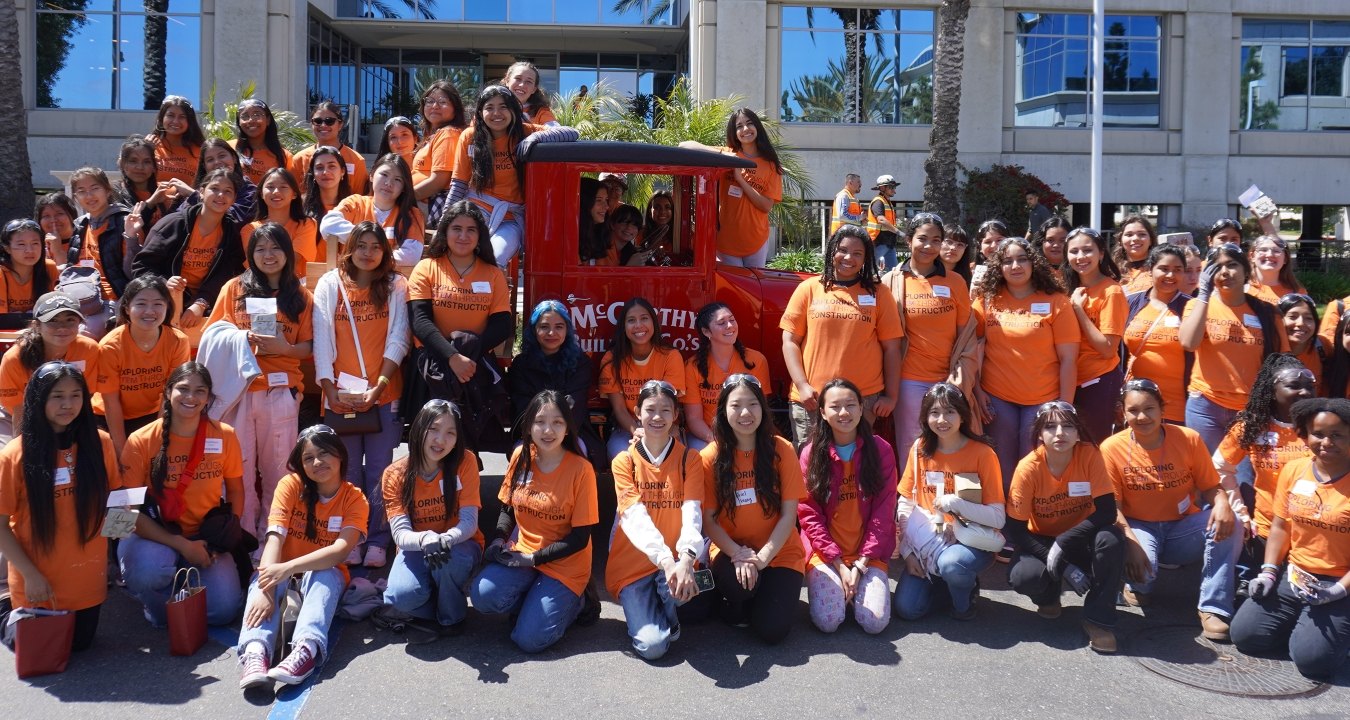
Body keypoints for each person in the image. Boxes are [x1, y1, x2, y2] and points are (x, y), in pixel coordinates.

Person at [1102, 379, 1241, 641]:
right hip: (1139, 527)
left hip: (1181, 528)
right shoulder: (1111, 448)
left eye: (1150, 409)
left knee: (1232, 522)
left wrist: (1222, 502)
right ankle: (1136, 583)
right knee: (1145, 576)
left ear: (1162, 410)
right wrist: (1131, 543)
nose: (1142, 417)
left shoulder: (1188, 439)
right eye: (1133, 410)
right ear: (1122, 412)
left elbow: (1212, 486)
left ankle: (1213, 607)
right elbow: (1112, 508)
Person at [0, 361, 120, 656]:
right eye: (57, 396)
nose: (68, 404)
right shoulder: (14, 455)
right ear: (39, 399)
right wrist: (31, 575)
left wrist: (115, 546)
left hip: (86, 580)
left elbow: (118, 499)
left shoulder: (101, 443)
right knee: (43, 651)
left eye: (76, 395)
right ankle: (5, 609)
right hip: (39, 582)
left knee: (79, 645)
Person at [204, 223, 314, 540]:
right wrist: (241, 339)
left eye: (275, 248)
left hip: (280, 392)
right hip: (238, 392)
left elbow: (310, 346)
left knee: (279, 467)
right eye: (260, 249)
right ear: (251, 254)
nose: (268, 255)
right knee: (239, 467)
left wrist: (286, 349)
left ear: (288, 253)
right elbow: (213, 334)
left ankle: (274, 534)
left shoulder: (301, 296)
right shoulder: (234, 289)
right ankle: (243, 533)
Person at [236, 425, 367, 689]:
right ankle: (255, 652)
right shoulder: (290, 485)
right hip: (282, 569)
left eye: (324, 453)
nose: (317, 462)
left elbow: (340, 551)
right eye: (308, 458)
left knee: (324, 574)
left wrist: (288, 567)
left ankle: (306, 650)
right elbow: (275, 538)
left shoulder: (355, 499)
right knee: (262, 581)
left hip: (322, 572)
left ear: (340, 455)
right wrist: (265, 588)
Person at [1230, 397, 1350, 680]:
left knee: (1313, 664)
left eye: (1337, 435)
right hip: (1297, 576)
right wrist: (1269, 573)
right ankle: (1309, 628)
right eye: (1318, 434)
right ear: (1305, 434)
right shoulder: (1294, 470)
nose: (1326, 442)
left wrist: (1337, 592)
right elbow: (1281, 527)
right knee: (1246, 637)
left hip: (1341, 584)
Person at [470, 390, 599, 653]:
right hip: (522, 552)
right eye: (540, 421)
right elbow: (507, 506)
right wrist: (498, 540)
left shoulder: (581, 470)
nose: (547, 430)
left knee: (529, 640)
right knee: (482, 595)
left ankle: (579, 601)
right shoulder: (521, 456)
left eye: (557, 422)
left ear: (567, 428)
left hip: (565, 565)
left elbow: (580, 538)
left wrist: (534, 559)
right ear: (528, 425)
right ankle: (534, 601)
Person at [118, 362, 245, 628]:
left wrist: (224, 534)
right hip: (151, 535)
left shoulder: (225, 435)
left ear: (208, 397)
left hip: (204, 536)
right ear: (167, 392)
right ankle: (156, 597)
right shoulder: (140, 440)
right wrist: (183, 546)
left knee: (223, 612)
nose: (191, 397)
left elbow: (235, 490)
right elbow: (124, 513)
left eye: (200, 391)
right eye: (183, 389)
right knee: (149, 577)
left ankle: (182, 578)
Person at [313, 220, 409, 568]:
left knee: (381, 470)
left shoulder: (397, 285)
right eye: (362, 245)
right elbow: (321, 338)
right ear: (350, 248)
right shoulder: (329, 284)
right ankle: (351, 537)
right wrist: (329, 389)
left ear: (384, 252)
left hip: (383, 394)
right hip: (339, 395)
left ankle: (379, 540)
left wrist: (378, 387)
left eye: (376, 246)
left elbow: (399, 338)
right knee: (346, 469)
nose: (368, 253)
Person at [1005, 401, 1123, 652]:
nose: (1060, 433)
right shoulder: (1028, 468)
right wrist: (1061, 563)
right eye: (1050, 427)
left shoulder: (1090, 454)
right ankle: (1048, 596)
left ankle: (1099, 620)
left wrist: (1064, 541)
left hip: (1082, 538)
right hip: (1041, 541)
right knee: (1023, 577)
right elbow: (1015, 529)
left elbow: (1107, 512)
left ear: (1078, 432)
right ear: (1039, 434)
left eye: (1068, 426)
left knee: (1111, 540)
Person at [699, 374, 806, 644]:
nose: (745, 413)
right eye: (736, 405)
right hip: (731, 550)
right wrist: (739, 555)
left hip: (780, 552)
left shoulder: (783, 450)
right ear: (723, 410)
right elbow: (709, 521)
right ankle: (734, 601)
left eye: (753, 404)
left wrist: (762, 559)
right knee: (738, 589)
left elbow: (789, 515)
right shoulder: (710, 456)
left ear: (763, 408)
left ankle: (756, 596)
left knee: (771, 631)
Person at [606, 380, 705, 659]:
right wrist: (665, 559)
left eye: (665, 410)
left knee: (673, 586)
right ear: (637, 412)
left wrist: (685, 558)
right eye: (650, 410)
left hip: (677, 562)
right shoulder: (623, 462)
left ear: (676, 415)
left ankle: (667, 597)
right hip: (634, 565)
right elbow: (634, 517)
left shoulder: (690, 459)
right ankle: (667, 615)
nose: (657, 417)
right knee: (652, 647)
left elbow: (692, 512)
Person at [972, 236, 1080, 489]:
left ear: (1034, 263)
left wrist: (1064, 407)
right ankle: (1006, 521)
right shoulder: (985, 301)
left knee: (1034, 462)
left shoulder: (1057, 302)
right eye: (1007, 261)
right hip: (997, 399)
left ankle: (1032, 519)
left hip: (1044, 399)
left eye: (1022, 259)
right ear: (998, 267)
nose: (1015, 266)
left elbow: (1068, 359)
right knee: (1002, 464)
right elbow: (972, 352)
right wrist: (977, 391)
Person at [782, 226, 902, 447]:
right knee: (811, 470)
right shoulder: (808, 288)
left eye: (858, 253)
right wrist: (802, 385)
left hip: (862, 400)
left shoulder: (879, 294)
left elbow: (892, 349)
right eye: (843, 250)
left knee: (854, 467)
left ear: (867, 258)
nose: (849, 258)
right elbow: (790, 341)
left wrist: (891, 396)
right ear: (831, 251)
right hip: (812, 399)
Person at [895, 383, 1004, 621]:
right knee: (907, 610)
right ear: (925, 417)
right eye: (934, 413)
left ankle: (963, 602)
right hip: (926, 543)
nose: (942, 419)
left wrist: (956, 506)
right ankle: (949, 582)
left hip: (969, 542)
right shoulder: (920, 448)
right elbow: (906, 503)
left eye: (949, 412)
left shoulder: (983, 454)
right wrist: (907, 553)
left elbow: (998, 517)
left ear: (962, 415)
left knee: (952, 564)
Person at [406, 201, 512, 444]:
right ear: (445, 231)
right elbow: (420, 321)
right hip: (433, 366)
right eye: (457, 228)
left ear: (480, 235)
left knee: (467, 443)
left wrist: (468, 357)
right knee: (430, 443)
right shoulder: (427, 268)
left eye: (471, 229)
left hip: (473, 367)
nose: (463, 235)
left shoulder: (493, 274)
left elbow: (502, 325)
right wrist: (452, 357)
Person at [798, 379, 897, 633]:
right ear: (822, 412)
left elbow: (884, 513)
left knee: (875, 623)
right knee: (828, 622)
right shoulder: (811, 453)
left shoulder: (881, 450)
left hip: (869, 555)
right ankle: (842, 593)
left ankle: (857, 592)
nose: (844, 413)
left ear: (862, 408)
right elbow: (809, 515)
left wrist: (861, 564)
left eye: (851, 405)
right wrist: (839, 564)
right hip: (826, 555)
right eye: (835, 407)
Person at [880, 213, 972, 473]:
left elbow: (965, 336)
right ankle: (913, 501)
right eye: (922, 239)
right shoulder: (891, 281)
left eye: (936, 240)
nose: (929, 246)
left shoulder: (955, 282)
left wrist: (961, 376)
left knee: (950, 441)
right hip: (909, 379)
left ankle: (946, 499)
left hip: (949, 378)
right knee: (912, 443)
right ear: (908, 240)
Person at [448, 85, 579, 266]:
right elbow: (459, 185)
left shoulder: (525, 132)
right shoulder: (469, 136)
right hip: (474, 211)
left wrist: (535, 138)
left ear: (514, 110)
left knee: (494, 259)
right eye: (489, 107)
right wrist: (445, 221)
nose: (497, 113)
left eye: (503, 107)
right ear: (480, 112)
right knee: (460, 257)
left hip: (510, 218)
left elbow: (572, 133)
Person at [381, 399, 482, 634]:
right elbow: (400, 533)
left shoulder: (465, 462)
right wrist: (425, 539)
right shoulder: (394, 474)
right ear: (418, 429)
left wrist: (446, 538)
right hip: (418, 546)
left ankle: (452, 618)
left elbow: (469, 522)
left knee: (448, 561)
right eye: (434, 429)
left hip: (459, 545)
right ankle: (431, 606)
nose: (440, 440)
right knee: (400, 595)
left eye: (450, 433)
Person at [1179, 242, 1286, 453]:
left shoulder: (1267, 312)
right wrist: (1203, 295)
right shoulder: (1197, 305)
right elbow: (1189, 343)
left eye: (1232, 265)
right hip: (1205, 406)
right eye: (1217, 267)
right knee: (1207, 478)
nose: (1225, 272)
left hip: (1249, 409)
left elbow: (1282, 361)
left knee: (1243, 481)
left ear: (1246, 270)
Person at [1213, 355, 1315, 572]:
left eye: (1309, 386)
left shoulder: (1323, 426)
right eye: (1294, 386)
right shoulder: (1252, 426)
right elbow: (1220, 467)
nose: (1305, 392)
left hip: (1316, 535)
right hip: (1267, 531)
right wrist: (1240, 513)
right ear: (1272, 391)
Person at [132, 168, 247, 336]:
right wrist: (164, 283)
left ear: (234, 199)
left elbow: (227, 274)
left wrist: (201, 303)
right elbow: (141, 267)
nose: (220, 195)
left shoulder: (231, 233)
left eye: (227, 191)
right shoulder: (174, 224)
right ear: (201, 192)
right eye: (214, 189)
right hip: (164, 299)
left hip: (207, 304)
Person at [93, 274, 191, 459]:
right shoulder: (110, 346)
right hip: (108, 418)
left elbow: (169, 395)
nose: (150, 311)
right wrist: (122, 450)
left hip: (151, 415)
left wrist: (156, 440)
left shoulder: (178, 341)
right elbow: (110, 402)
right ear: (127, 308)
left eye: (158, 304)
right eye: (141, 304)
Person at [680, 109, 783, 267]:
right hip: (726, 244)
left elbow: (766, 206)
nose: (745, 129)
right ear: (734, 133)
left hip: (756, 242)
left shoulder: (771, 165)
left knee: (752, 291)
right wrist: (723, 155)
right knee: (731, 290)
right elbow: (685, 146)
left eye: (749, 123)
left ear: (757, 127)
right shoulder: (727, 155)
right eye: (739, 126)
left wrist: (740, 180)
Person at [0, 293, 101, 440]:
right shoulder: (14, 358)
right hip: (16, 416)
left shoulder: (89, 349)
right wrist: (22, 452)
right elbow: (18, 409)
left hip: (67, 412)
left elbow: (85, 397)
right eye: (52, 321)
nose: (62, 328)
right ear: (37, 325)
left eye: (70, 320)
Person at [507, 299, 599, 459]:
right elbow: (522, 408)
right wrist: (540, 433)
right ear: (534, 330)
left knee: (576, 453)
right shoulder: (521, 364)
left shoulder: (580, 362)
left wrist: (557, 434)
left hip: (571, 432)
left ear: (567, 330)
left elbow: (575, 406)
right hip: (531, 432)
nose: (551, 333)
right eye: (544, 327)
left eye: (559, 327)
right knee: (521, 455)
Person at [599, 297, 686, 459]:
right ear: (623, 327)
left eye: (644, 318)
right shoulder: (611, 360)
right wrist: (638, 432)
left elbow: (669, 406)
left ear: (654, 322)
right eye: (631, 320)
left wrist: (656, 433)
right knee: (625, 457)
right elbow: (619, 409)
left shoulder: (671, 356)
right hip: (628, 430)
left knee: (669, 458)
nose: (638, 325)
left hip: (665, 427)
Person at [1064, 227, 1126, 441]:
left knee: (1092, 447)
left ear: (1101, 253)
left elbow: (1108, 349)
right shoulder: (1066, 288)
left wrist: (1079, 310)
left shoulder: (1112, 291)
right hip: (1067, 381)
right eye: (1074, 251)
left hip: (1098, 381)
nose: (1080, 257)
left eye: (1087, 250)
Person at [1122, 244, 1193, 425]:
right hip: (1136, 403)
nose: (1170, 275)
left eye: (1177, 270)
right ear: (1149, 270)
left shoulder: (1192, 307)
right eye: (1163, 269)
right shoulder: (1130, 303)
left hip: (1178, 405)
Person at [684, 302, 769, 450]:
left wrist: (743, 441)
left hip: (747, 432)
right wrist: (717, 442)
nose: (730, 326)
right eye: (721, 323)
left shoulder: (756, 360)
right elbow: (694, 419)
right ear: (706, 332)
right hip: (708, 436)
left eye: (732, 319)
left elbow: (760, 410)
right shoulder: (692, 367)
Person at [321, 154, 426, 268]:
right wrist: (367, 238)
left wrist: (371, 257)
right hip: (351, 279)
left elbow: (410, 256)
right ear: (371, 175)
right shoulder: (355, 203)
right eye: (384, 175)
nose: (388, 183)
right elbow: (328, 224)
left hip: (391, 282)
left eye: (397, 179)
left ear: (404, 187)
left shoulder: (412, 215)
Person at [68, 167, 134, 328]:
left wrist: (131, 237)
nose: (89, 196)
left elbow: (133, 269)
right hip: (78, 298)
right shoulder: (80, 225)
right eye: (82, 191)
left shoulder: (123, 221)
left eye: (94, 188)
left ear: (107, 190)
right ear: (76, 197)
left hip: (111, 299)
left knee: (80, 333)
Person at [243, 167, 322, 276]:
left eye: (283, 187)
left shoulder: (306, 224)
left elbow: (292, 261)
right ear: (261, 193)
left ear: (294, 194)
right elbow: (256, 265)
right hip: (261, 287)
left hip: (297, 286)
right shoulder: (249, 230)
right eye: (270, 187)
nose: (276, 192)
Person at [410, 81, 467, 218]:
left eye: (443, 102)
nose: (435, 106)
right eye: (430, 101)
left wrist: (405, 197)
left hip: (432, 204)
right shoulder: (433, 135)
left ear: (455, 109)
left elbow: (439, 181)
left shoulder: (448, 134)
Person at [289, 101, 370, 195]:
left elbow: (360, 199)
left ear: (340, 125)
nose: (323, 125)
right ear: (312, 124)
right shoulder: (299, 159)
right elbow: (293, 196)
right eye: (318, 121)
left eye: (329, 121)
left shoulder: (356, 160)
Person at [175, 138, 257, 224]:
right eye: (210, 160)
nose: (217, 162)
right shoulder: (201, 190)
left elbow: (233, 218)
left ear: (234, 158)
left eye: (222, 156)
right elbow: (177, 219)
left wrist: (195, 196)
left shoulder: (249, 191)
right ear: (204, 166)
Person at [0, 218, 59, 318]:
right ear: (7, 248)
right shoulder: (1, 274)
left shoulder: (49, 268)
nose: (29, 250)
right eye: (21, 244)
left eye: (35, 243)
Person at [231, 99, 292, 188]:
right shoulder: (228, 148)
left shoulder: (285, 156)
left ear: (268, 120)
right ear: (239, 122)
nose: (251, 120)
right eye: (244, 116)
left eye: (257, 115)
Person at [147, 95, 204, 185]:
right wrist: (146, 150)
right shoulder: (150, 145)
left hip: (189, 198)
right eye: (170, 115)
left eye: (182, 117)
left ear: (190, 121)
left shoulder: (202, 150)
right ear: (161, 118)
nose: (175, 121)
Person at [301, 144, 354, 224]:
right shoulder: (300, 205)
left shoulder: (354, 206)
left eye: (331, 166)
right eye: (319, 168)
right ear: (313, 173)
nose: (325, 172)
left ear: (342, 171)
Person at [1278, 294, 1324, 385]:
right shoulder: (1263, 348)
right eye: (1292, 317)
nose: (1301, 323)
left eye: (1308, 318)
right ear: (1277, 319)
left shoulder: (1323, 346)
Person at [1247, 235, 1305, 304]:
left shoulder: (1298, 294)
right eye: (1263, 250)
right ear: (1252, 256)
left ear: (1285, 259)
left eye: (1276, 251)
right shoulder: (1240, 290)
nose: (1270, 254)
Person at [501, 61, 558, 126]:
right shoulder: (492, 106)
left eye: (528, 81)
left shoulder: (540, 112)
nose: (522, 85)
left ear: (534, 89)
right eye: (518, 78)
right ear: (507, 81)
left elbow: (557, 131)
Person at [1114, 214, 1158, 294]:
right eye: (1129, 235)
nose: (1135, 239)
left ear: (1151, 240)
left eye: (1142, 234)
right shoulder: (1111, 272)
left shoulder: (1161, 269)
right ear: (1120, 240)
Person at [865, 175, 901, 272]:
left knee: (893, 271)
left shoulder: (886, 202)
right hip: (878, 241)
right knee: (870, 269)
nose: (894, 190)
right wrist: (898, 232)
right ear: (882, 188)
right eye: (891, 187)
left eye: (894, 187)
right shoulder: (878, 202)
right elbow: (881, 220)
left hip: (888, 242)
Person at [35, 193, 80, 270]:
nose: (53, 220)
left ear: (72, 216)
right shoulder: (34, 246)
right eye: (46, 216)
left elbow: (69, 277)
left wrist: (58, 252)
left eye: (59, 214)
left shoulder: (85, 242)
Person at [577, 178, 610, 265]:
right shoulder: (571, 239)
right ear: (584, 202)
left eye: (606, 200)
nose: (606, 206)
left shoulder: (599, 234)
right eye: (599, 200)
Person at [969, 218, 1009, 290]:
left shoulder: (1018, 269)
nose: (994, 245)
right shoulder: (969, 270)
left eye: (999, 240)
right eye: (988, 242)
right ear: (980, 247)